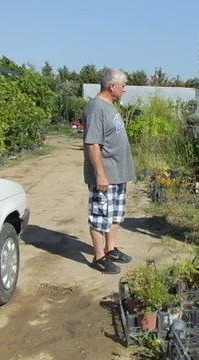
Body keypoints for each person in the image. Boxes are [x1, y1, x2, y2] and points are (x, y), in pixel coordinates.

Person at [82, 68, 135, 274]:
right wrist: (100, 174)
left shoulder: (110, 106)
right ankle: (99, 256)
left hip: (118, 174)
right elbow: (93, 144)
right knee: (100, 215)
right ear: (112, 86)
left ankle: (110, 249)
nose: (125, 89)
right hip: (106, 174)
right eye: (123, 85)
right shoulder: (96, 108)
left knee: (115, 215)